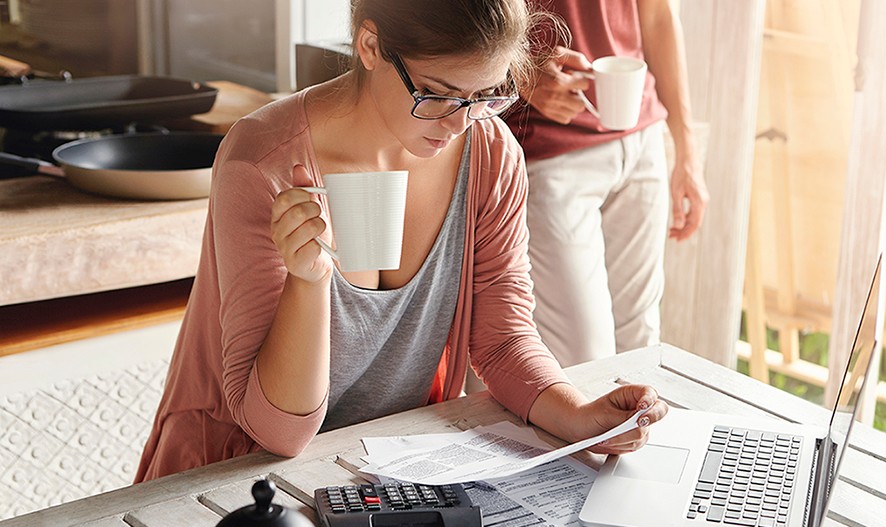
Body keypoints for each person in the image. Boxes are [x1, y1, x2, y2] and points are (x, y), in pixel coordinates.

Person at [135, 0, 668, 483]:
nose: (458, 124)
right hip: (230, 478)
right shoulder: (264, 160)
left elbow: (502, 342)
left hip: (385, 469)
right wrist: (309, 282)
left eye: (485, 96)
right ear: (370, 46)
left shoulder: (490, 153)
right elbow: (278, 432)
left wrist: (579, 415)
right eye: (437, 94)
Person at [505, 0, 707, 367]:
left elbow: (657, 16)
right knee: (584, 358)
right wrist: (518, 72)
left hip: (641, 140)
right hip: (550, 153)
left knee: (641, 346)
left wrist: (686, 151)